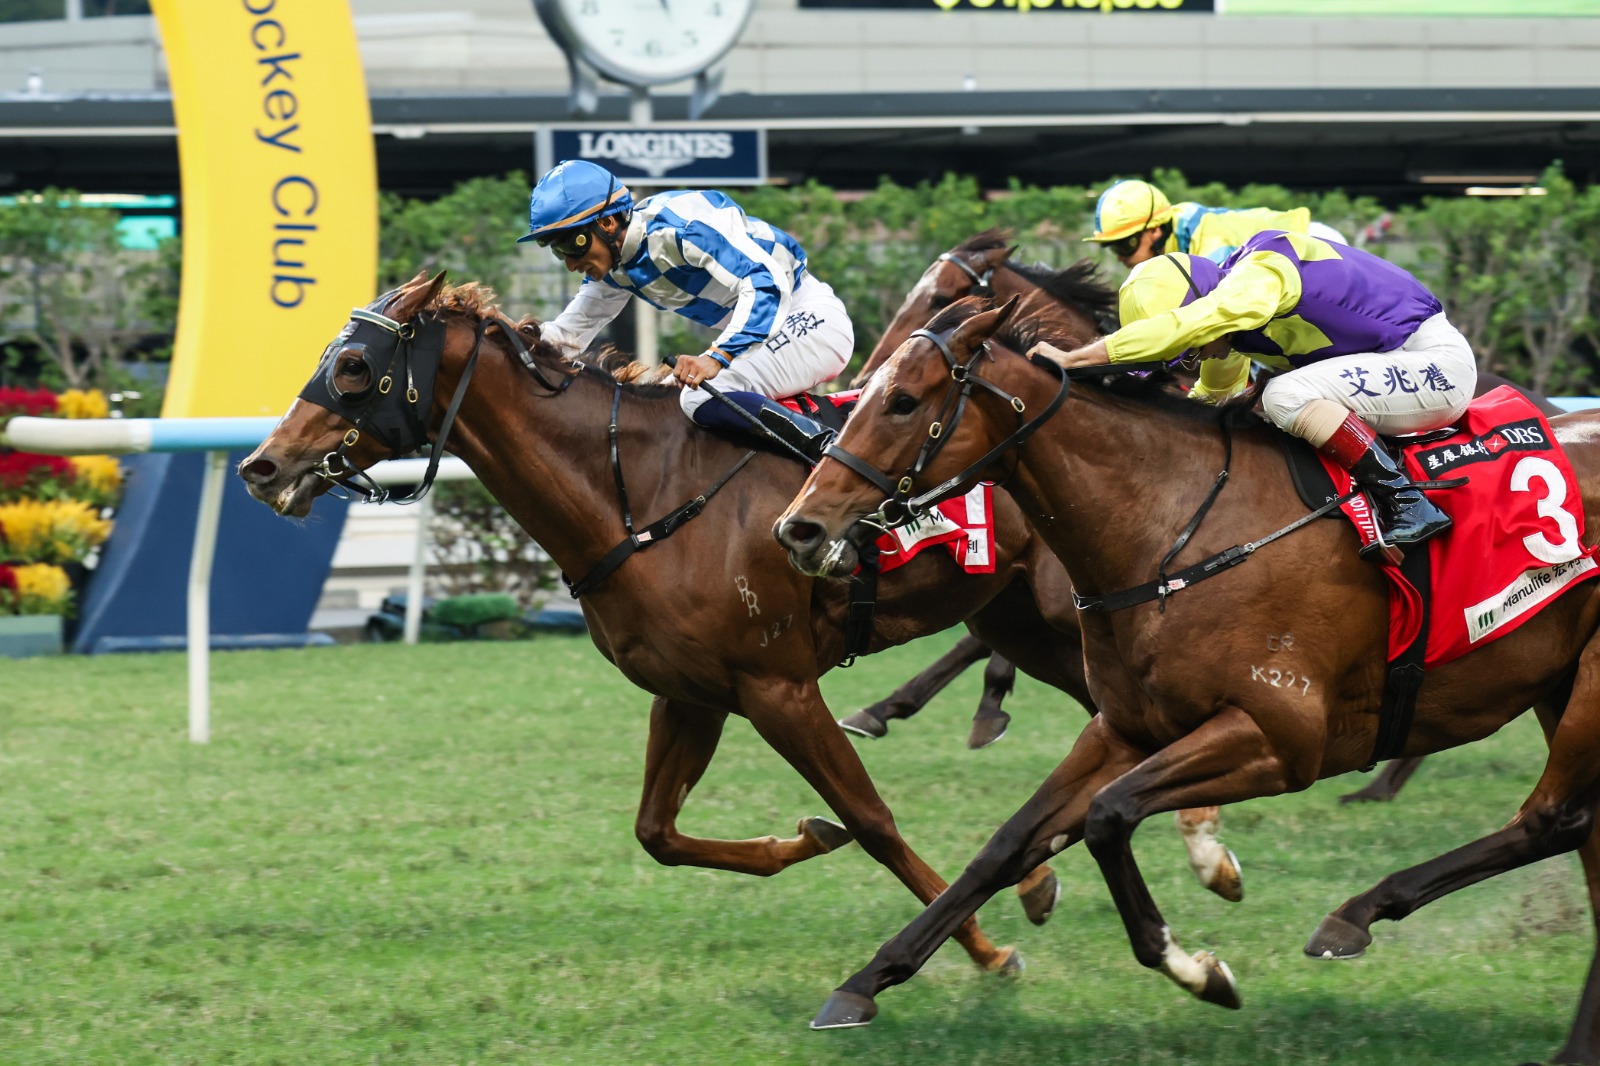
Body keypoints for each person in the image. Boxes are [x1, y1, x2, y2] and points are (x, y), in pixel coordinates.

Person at [1032, 230, 1477, 560]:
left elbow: (1194, 323)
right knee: (1258, 410)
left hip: (1434, 365)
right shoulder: (1234, 333)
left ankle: (1406, 501)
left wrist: (1076, 360)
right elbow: (1211, 403)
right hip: (1396, 370)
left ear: (1198, 304)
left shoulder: (1258, 274)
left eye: (1188, 350)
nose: (1192, 360)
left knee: (1282, 395)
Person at [519, 159, 853, 461]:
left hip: (812, 319)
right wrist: (502, 340)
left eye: (571, 244)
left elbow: (766, 283)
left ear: (607, 223)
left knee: (699, 398)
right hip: (768, 336)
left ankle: (837, 455)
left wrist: (716, 356)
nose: (571, 264)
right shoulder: (615, 266)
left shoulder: (680, 228)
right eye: (557, 251)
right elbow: (565, 337)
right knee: (658, 405)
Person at [1084, 177, 1350, 270]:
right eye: (1112, 247)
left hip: (1314, 248)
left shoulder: (1209, 245)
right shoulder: (1177, 231)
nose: (1119, 256)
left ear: (1154, 231)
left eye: (1124, 244)